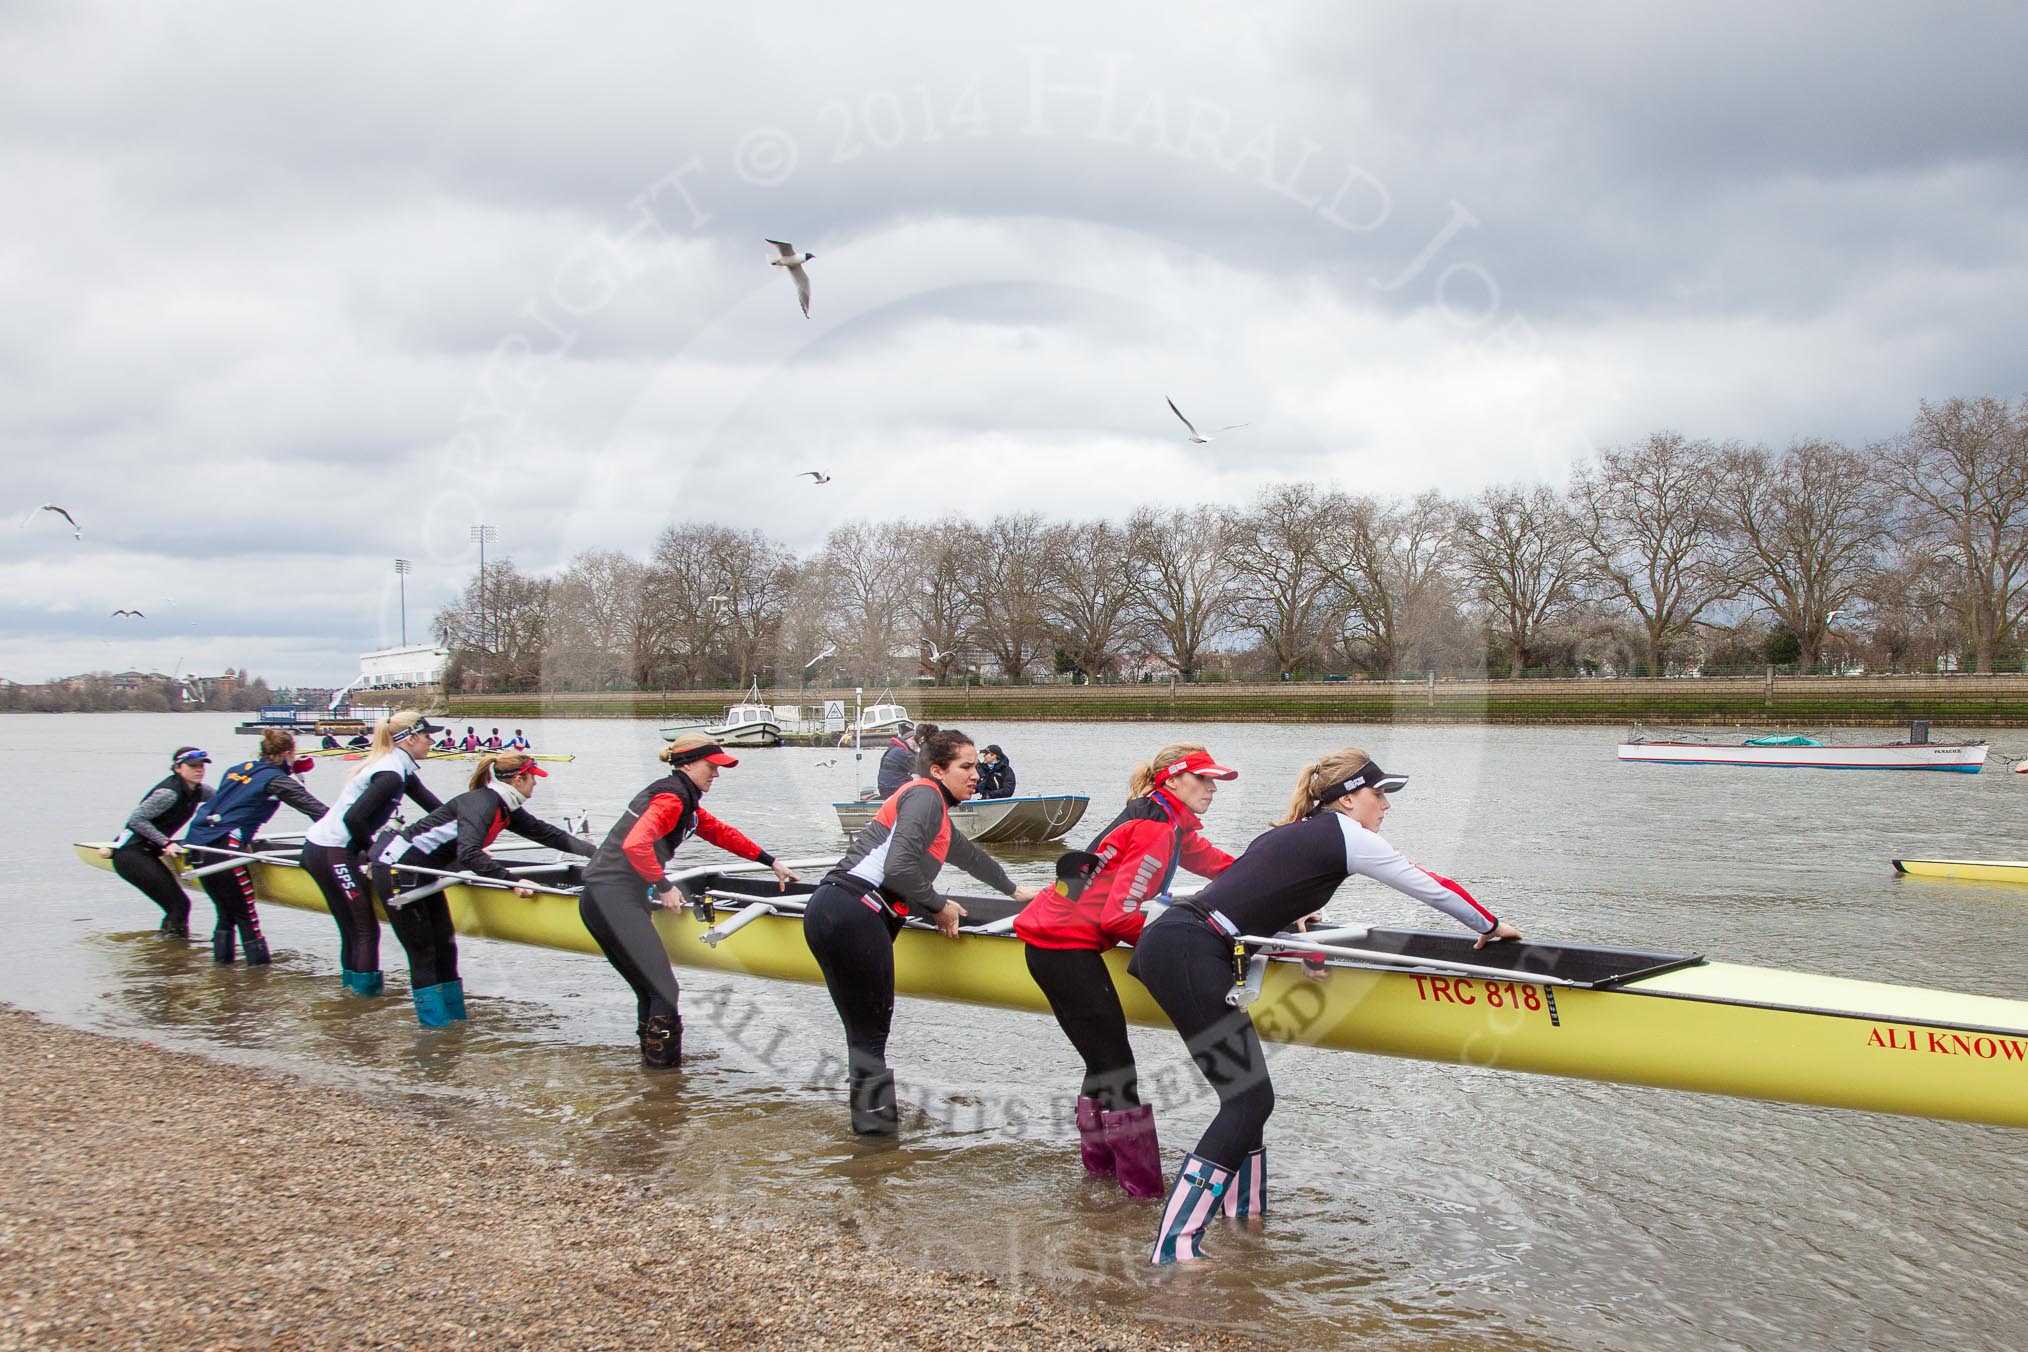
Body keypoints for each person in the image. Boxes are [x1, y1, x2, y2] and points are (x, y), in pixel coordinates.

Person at [1129, 748, 1521, 1264]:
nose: (1385, 805)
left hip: (1183, 943)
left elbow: (1251, 901)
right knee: (1249, 1100)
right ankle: (1174, 1251)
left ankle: (1246, 1222)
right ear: (1349, 798)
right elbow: (1429, 884)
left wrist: (1299, 943)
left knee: (1246, 1099)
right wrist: (1491, 927)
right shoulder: (1346, 835)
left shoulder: (1292, 833)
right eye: (1379, 794)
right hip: (1189, 949)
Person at [1013, 744, 1238, 1197]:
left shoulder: (1166, 822)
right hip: (1063, 947)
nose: (1213, 789)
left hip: (1053, 941)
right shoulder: (1155, 830)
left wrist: (1280, 892)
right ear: (1172, 781)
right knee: (1117, 1070)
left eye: (1216, 781)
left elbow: (1224, 867)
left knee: (1103, 1064)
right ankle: (1142, 1195)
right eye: (1204, 779)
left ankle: (1099, 1178)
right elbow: (1118, 917)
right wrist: (1179, 949)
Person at [804, 728, 1042, 1135]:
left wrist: (1016, 890)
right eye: (965, 767)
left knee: (862, 1037)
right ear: (937, 770)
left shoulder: (932, 808)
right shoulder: (926, 797)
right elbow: (897, 869)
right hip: (855, 913)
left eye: (975, 766)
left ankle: (869, 1147)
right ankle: (876, 1145)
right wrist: (939, 905)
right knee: (870, 1038)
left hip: (832, 907)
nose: (975, 775)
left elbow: (967, 856)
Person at [579, 733, 797, 1068]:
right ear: (688, 764)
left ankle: (655, 1080)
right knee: (664, 990)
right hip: (611, 899)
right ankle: (664, 1078)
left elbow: (721, 833)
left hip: (607, 898)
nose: (716, 774)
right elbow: (635, 845)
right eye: (712, 766)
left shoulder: (685, 800)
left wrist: (770, 861)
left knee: (651, 990)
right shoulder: (671, 799)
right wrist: (664, 886)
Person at [372, 752, 594, 1026]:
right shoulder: (484, 804)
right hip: (398, 869)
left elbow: (549, 834)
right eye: (533, 779)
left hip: (424, 870)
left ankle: (455, 1027)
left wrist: (599, 854)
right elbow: (468, 854)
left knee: (446, 947)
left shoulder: (504, 807)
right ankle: (435, 1032)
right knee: (424, 953)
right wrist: (512, 881)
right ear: (518, 778)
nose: (535, 785)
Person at [299, 711, 444, 995]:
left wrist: (470, 832)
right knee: (365, 931)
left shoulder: (400, 769)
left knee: (353, 931)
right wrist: (372, 854)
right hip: (333, 851)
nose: (432, 741)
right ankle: (363, 1007)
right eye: (428, 736)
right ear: (411, 738)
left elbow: (439, 811)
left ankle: (350, 1003)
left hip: (324, 847)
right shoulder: (390, 774)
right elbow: (353, 819)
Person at [183, 730, 327, 965]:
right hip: (225, 851)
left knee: (225, 915)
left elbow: (231, 805)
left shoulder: (236, 769)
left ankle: (224, 977)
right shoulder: (277, 780)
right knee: (247, 918)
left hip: (197, 845)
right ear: (288, 753)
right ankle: (259, 975)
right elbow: (319, 812)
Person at [107, 747, 214, 936]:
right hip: (131, 854)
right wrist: (165, 843)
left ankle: (167, 955)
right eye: (193, 766)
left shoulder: (199, 790)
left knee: (178, 906)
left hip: (150, 852)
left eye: (202, 766)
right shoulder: (169, 793)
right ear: (178, 768)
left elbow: (223, 800)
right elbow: (136, 819)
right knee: (179, 905)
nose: (199, 770)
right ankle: (170, 954)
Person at [875, 721, 938, 797]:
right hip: (892, 789)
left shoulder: (897, 748)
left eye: (915, 740)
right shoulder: (901, 753)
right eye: (911, 739)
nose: (914, 743)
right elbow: (922, 769)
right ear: (904, 739)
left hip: (888, 787)